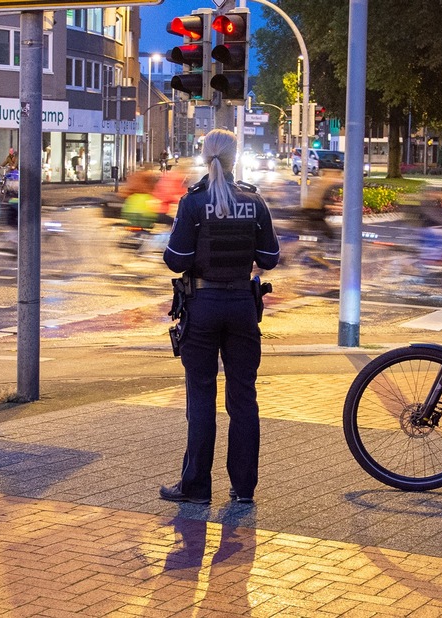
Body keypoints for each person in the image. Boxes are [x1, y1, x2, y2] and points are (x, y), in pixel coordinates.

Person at [160, 128, 280, 505]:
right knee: (244, 398)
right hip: (243, 308)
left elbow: (174, 260)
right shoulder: (254, 200)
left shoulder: (193, 203)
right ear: (235, 158)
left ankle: (196, 487)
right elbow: (271, 258)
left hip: (203, 307)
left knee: (201, 396)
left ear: (204, 155)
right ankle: (244, 488)